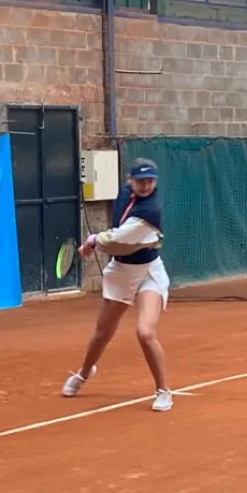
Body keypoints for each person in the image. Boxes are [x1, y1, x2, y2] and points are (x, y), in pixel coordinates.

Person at [61, 158, 172, 412]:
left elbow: (118, 238)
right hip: (121, 273)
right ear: (129, 180)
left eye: (150, 181)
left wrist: (91, 241)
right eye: (140, 181)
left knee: (145, 332)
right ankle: (84, 373)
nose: (145, 186)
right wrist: (94, 244)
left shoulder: (149, 213)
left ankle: (163, 390)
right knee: (102, 333)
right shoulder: (125, 193)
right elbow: (115, 237)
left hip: (148, 273)